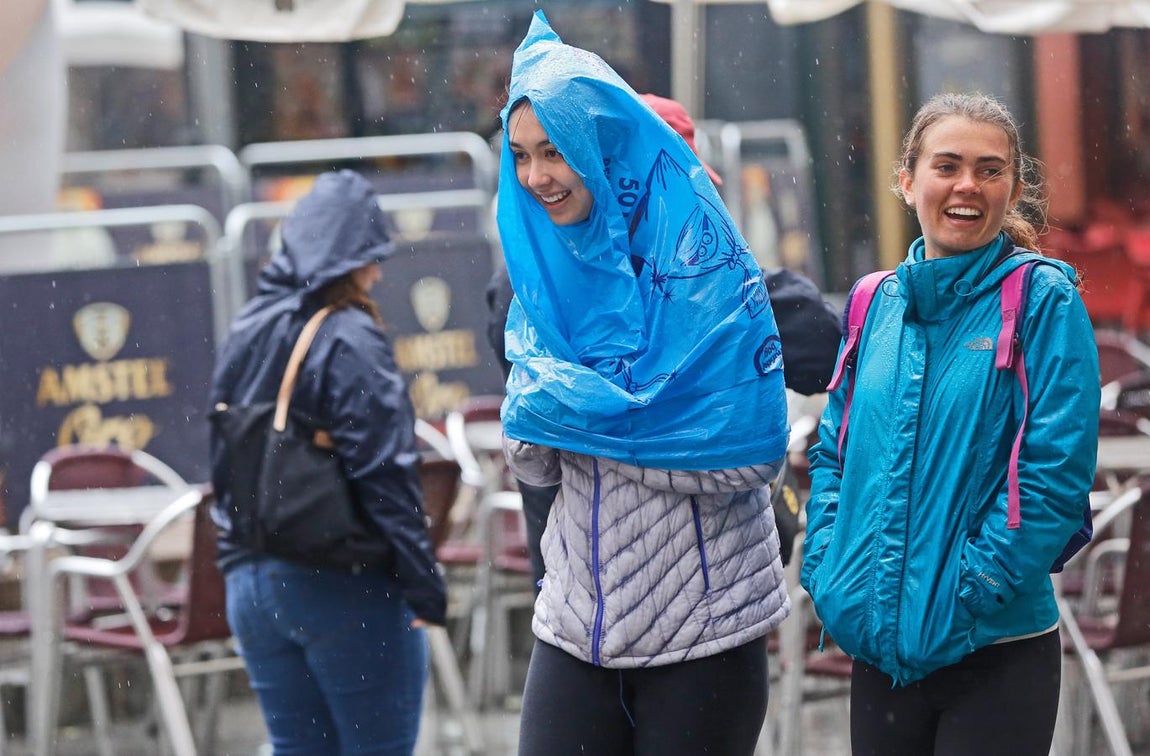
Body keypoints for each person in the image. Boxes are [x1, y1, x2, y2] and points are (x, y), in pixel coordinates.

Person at [497, 13, 792, 755]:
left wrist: (587, 421)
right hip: (575, 625)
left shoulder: (709, 276)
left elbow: (749, 457)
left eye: (555, 151)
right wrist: (585, 421)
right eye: (521, 155)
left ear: (606, 150)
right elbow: (532, 459)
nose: (535, 177)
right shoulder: (545, 278)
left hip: (703, 632)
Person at [800, 92, 1099, 755]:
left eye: (990, 170)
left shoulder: (1043, 299)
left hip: (996, 649)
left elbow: (1055, 476)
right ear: (908, 181)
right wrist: (827, 565)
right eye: (947, 165)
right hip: (877, 647)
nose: (968, 184)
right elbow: (834, 453)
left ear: (1013, 189)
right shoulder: (872, 302)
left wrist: (970, 591)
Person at [486, 92, 841, 592]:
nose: (692, 210)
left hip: (584, 579)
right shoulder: (705, 292)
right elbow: (825, 353)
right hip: (658, 579)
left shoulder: (523, 283)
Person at [208, 169, 446, 755]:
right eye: (371, 257)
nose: (378, 273)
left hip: (250, 583)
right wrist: (423, 586)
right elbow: (386, 473)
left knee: (296, 749)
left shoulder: (248, 325)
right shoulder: (349, 337)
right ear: (352, 260)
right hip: (340, 582)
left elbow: (222, 455)